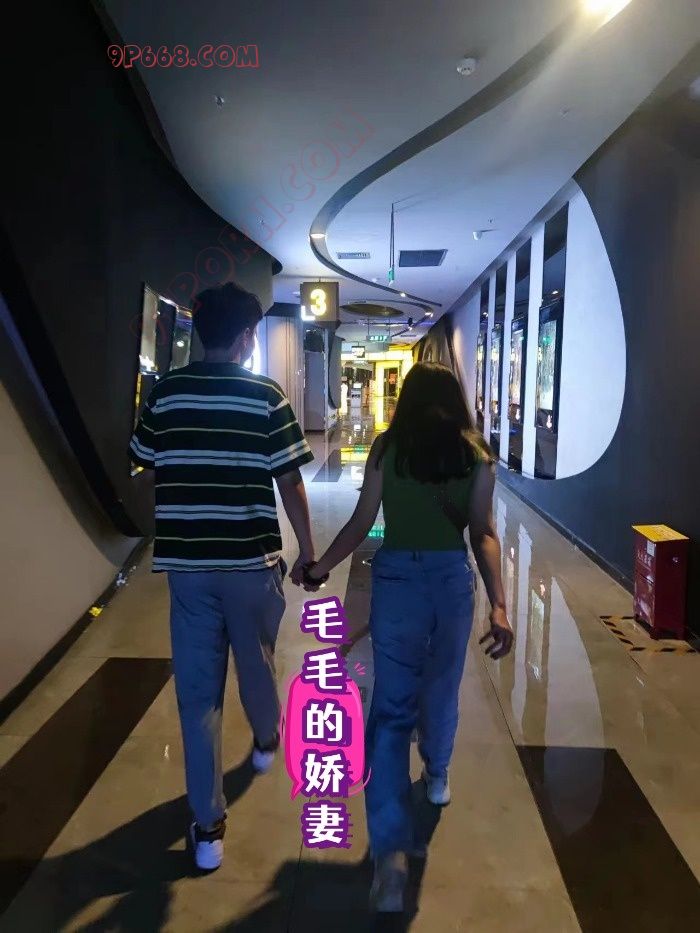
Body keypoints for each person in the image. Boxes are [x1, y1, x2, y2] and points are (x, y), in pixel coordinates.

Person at [301, 361, 513, 912]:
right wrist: (500, 606)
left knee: (391, 710)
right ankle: (437, 775)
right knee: (441, 689)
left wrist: (320, 567)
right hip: (449, 585)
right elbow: (483, 533)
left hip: (396, 583)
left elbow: (361, 522)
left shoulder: (388, 449)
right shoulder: (477, 456)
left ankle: (390, 861)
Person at [129, 282, 315, 872]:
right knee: (256, 665)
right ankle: (266, 738)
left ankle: (208, 829)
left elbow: (145, 466)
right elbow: (290, 482)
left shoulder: (165, 394)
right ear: (246, 338)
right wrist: (309, 552)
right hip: (250, 565)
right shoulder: (266, 396)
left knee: (197, 695)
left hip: (187, 570)